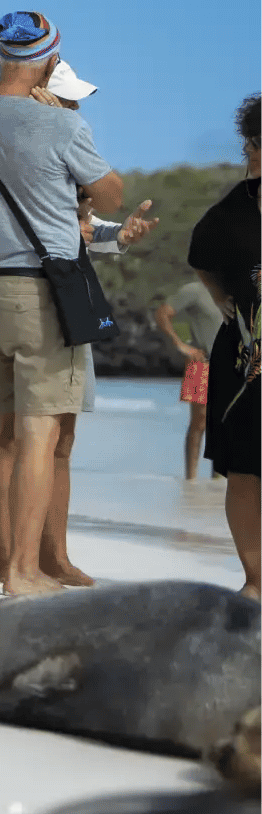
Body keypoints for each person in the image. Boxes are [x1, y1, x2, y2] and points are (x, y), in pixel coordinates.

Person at [0, 12, 129, 598]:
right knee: (40, 433)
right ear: (50, 59)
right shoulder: (59, 123)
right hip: (36, 288)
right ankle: (21, 570)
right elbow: (109, 193)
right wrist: (64, 119)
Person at [0, 59, 157, 587]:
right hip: (42, 291)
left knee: (49, 436)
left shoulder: (24, 137)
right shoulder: (47, 137)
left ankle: (41, 555)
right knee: (28, 436)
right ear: (38, 93)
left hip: (24, 284)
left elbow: (73, 223)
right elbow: (65, 216)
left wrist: (115, 236)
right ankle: (20, 560)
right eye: (67, 97)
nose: (76, 106)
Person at [185, 92, 262, 601]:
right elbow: (201, 259)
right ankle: (256, 582)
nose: (249, 153)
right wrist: (222, 300)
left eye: (255, 144)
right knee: (245, 468)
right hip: (244, 358)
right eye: (249, 144)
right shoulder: (234, 207)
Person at [155, 277, 226, 479]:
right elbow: (162, 313)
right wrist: (180, 345)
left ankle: (218, 483)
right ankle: (191, 481)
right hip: (200, 363)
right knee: (200, 422)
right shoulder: (195, 290)